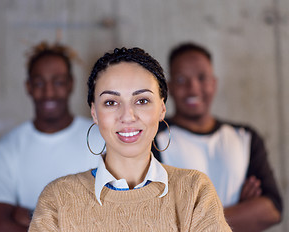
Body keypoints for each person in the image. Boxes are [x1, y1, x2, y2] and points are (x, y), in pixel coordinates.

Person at [28, 47, 232, 231]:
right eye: (110, 102)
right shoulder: (58, 198)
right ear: (94, 112)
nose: (127, 116)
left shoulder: (194, 190)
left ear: (162, 108)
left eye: (142, 100)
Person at [153, 42, 283, 231]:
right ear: (169, 88)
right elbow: (155, 219)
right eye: (181, 80)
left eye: (202, 77)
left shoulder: (245, 136)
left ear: (214, 83)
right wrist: (242, 212)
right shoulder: (153, 138)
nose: (193, 87)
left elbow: (272, 210)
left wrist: (190, 220)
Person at [0, 41, 103, 232]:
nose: (49, 92)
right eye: (39, 83)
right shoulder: (6, 149)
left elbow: (110, 216)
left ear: (71, 84)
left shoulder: (100, 138)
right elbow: (0, 226)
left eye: (58, 82)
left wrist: (32, 215)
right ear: (28, 86)